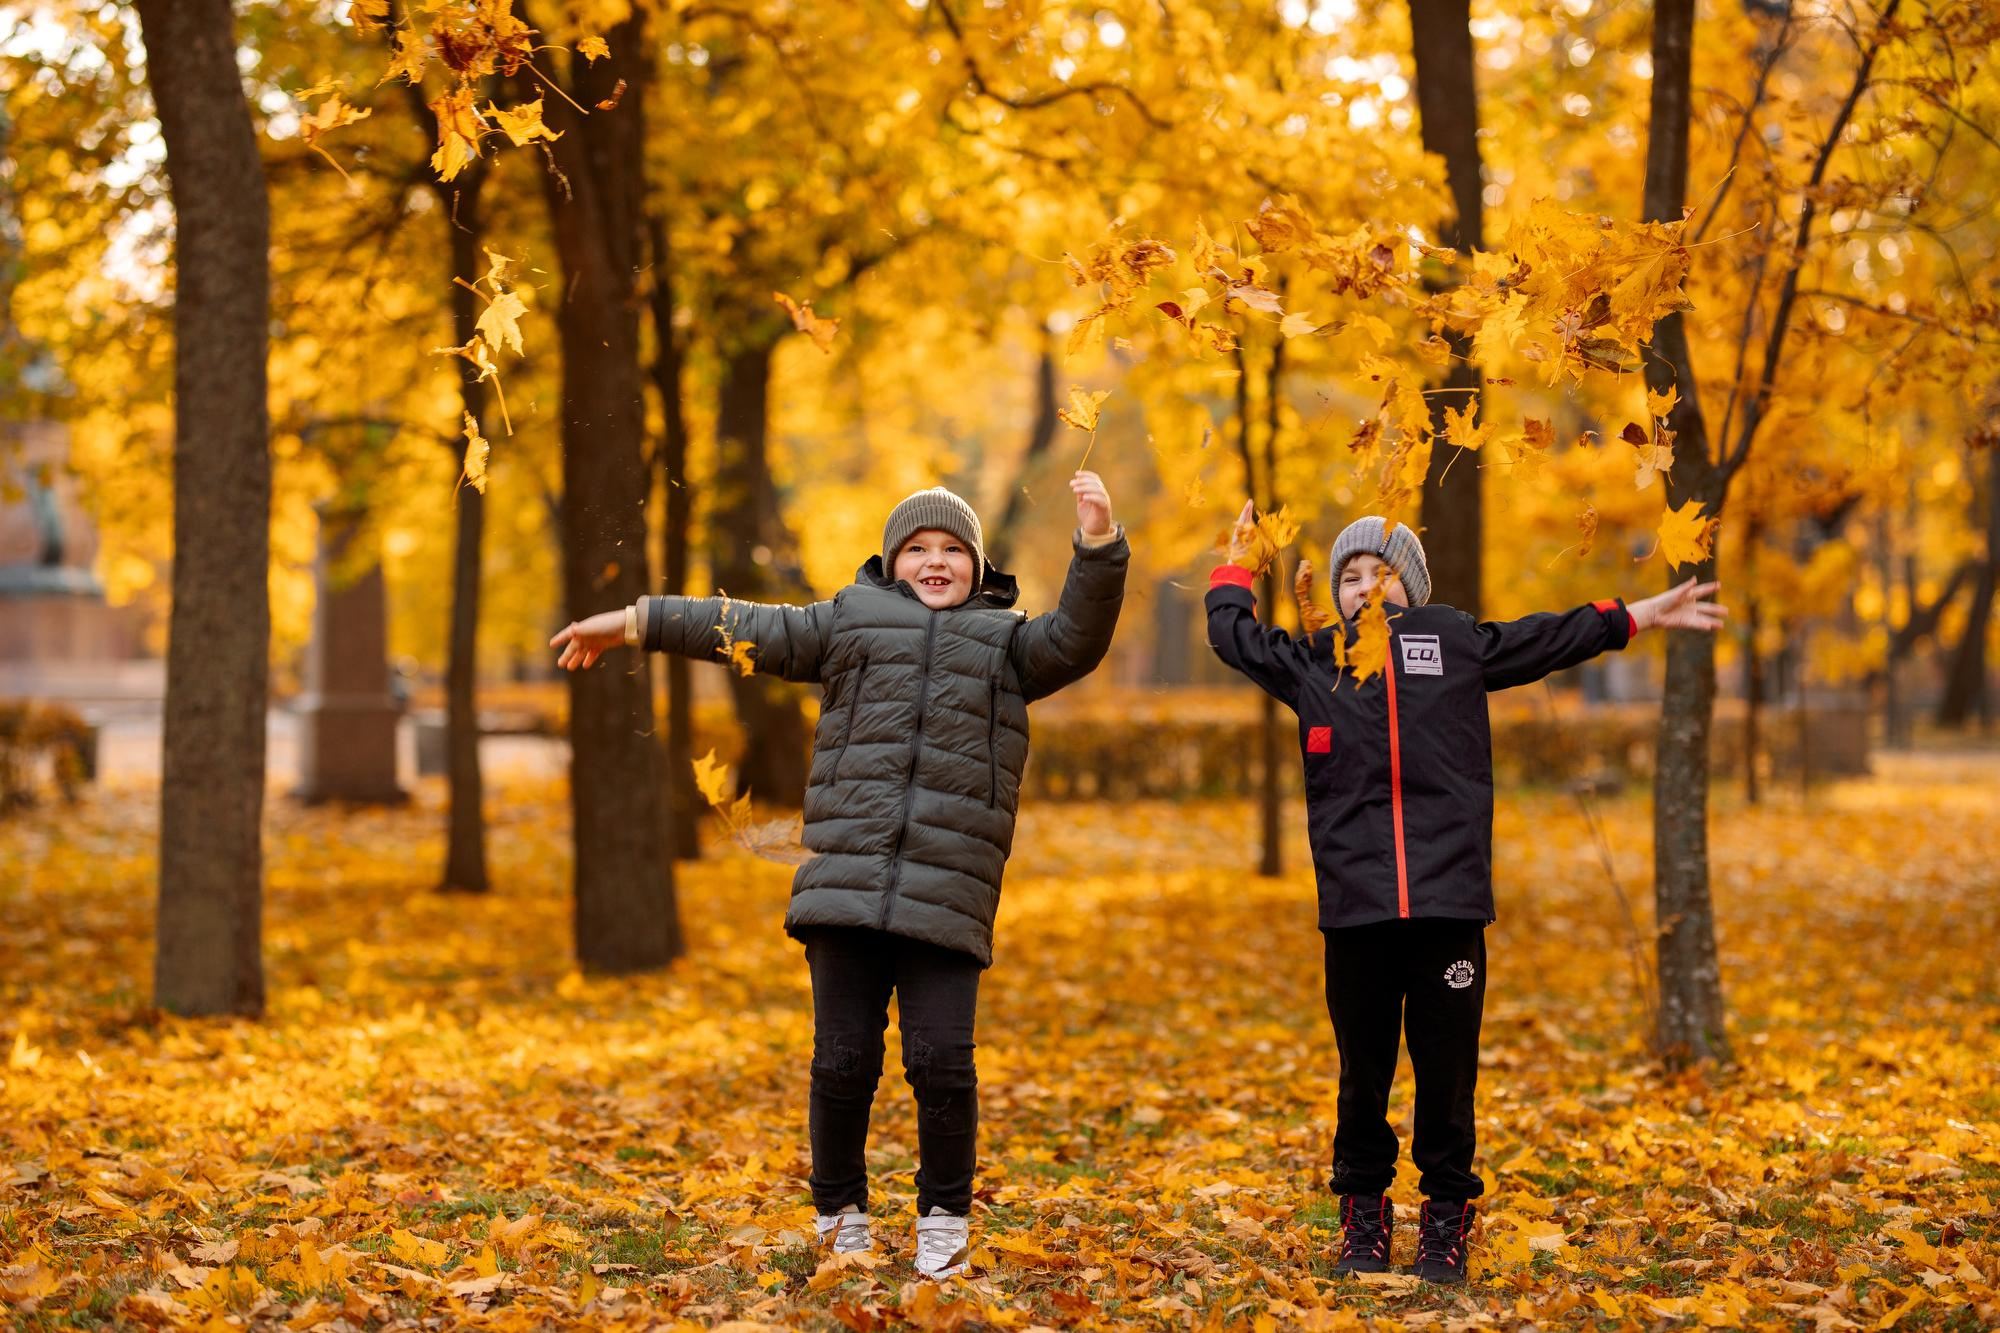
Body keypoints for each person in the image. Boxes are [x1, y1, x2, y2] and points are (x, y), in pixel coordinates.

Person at [551, 473, 1128, 1278]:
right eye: (918, 548)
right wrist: (636, 621)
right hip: (845, 888)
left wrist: (1097, 544)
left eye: (953, 549)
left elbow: (1079, 635)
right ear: (891, 563)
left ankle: (943, 1217)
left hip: (949, 889)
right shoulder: (849, 622)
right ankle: (841, 1214)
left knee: (943, 1062)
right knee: (842, 1060)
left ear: (977, 565)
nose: (936, 561)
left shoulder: (1007, 643)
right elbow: (738, 625)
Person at [1204, 504, 1725, 1285]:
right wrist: (1235, 568)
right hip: (1356, 909)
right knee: (1364, 1069)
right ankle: (1363, 1211)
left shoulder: (1450, 643)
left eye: (1380, 571)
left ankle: (1447, 1214)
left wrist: (1636, 616)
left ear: (1411, 588)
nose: (1362, 585)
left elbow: (1547, 638)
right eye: (1348, 575)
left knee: (1447, 1073)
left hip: (1449, 907)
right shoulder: (1318, 660)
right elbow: (1234, 637)